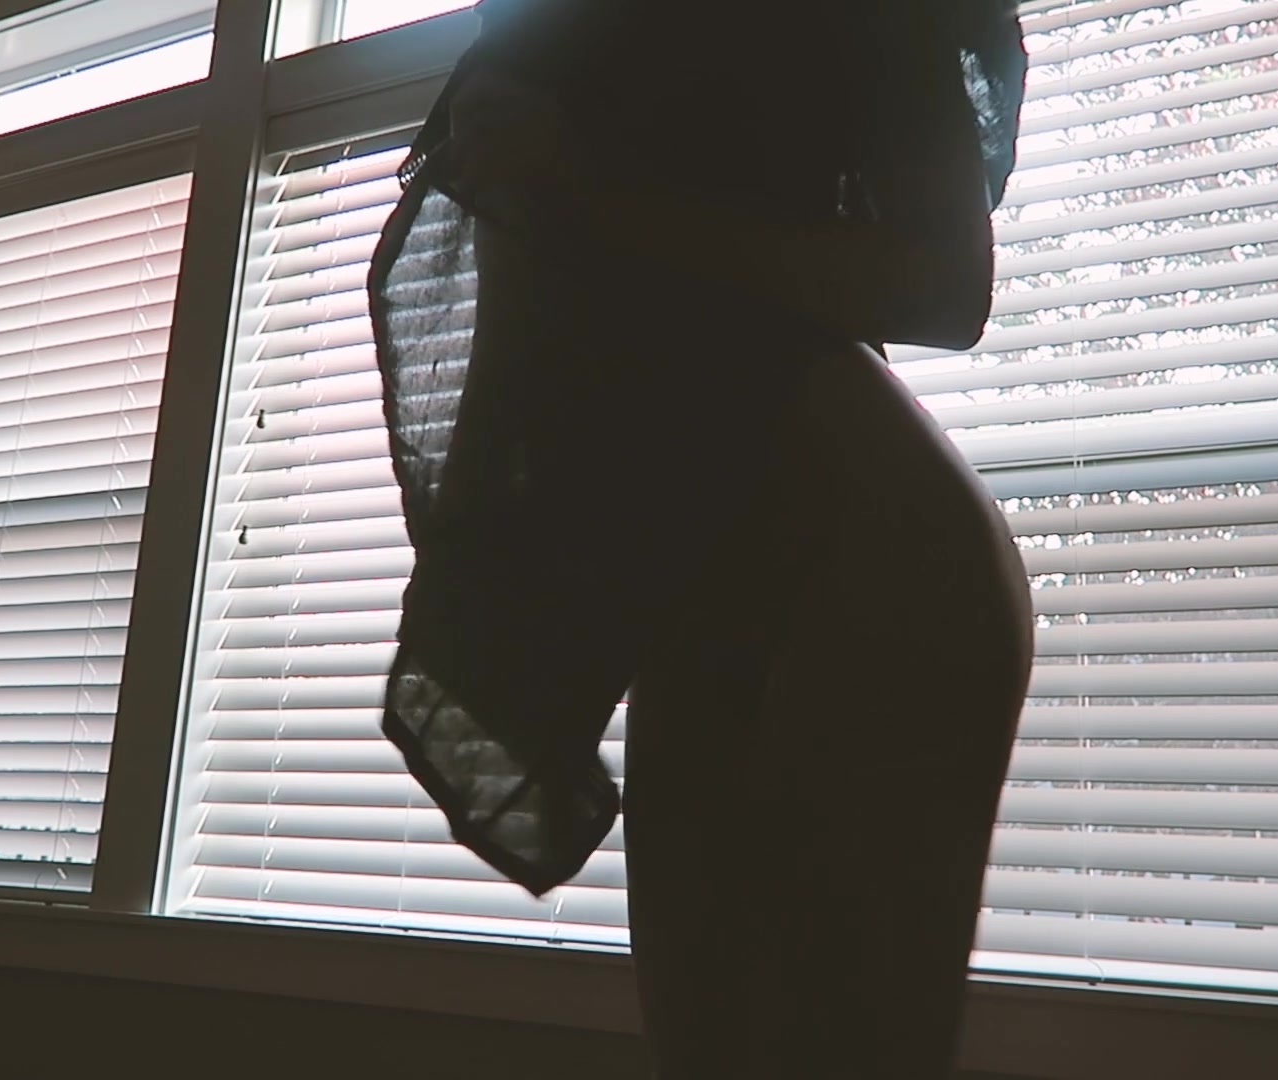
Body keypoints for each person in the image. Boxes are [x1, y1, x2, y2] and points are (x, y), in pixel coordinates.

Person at [367, 1, 1032, 1074]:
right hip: (694, 582)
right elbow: (519, 320)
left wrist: (593, 197)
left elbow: (947, 287)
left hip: (862, 559)